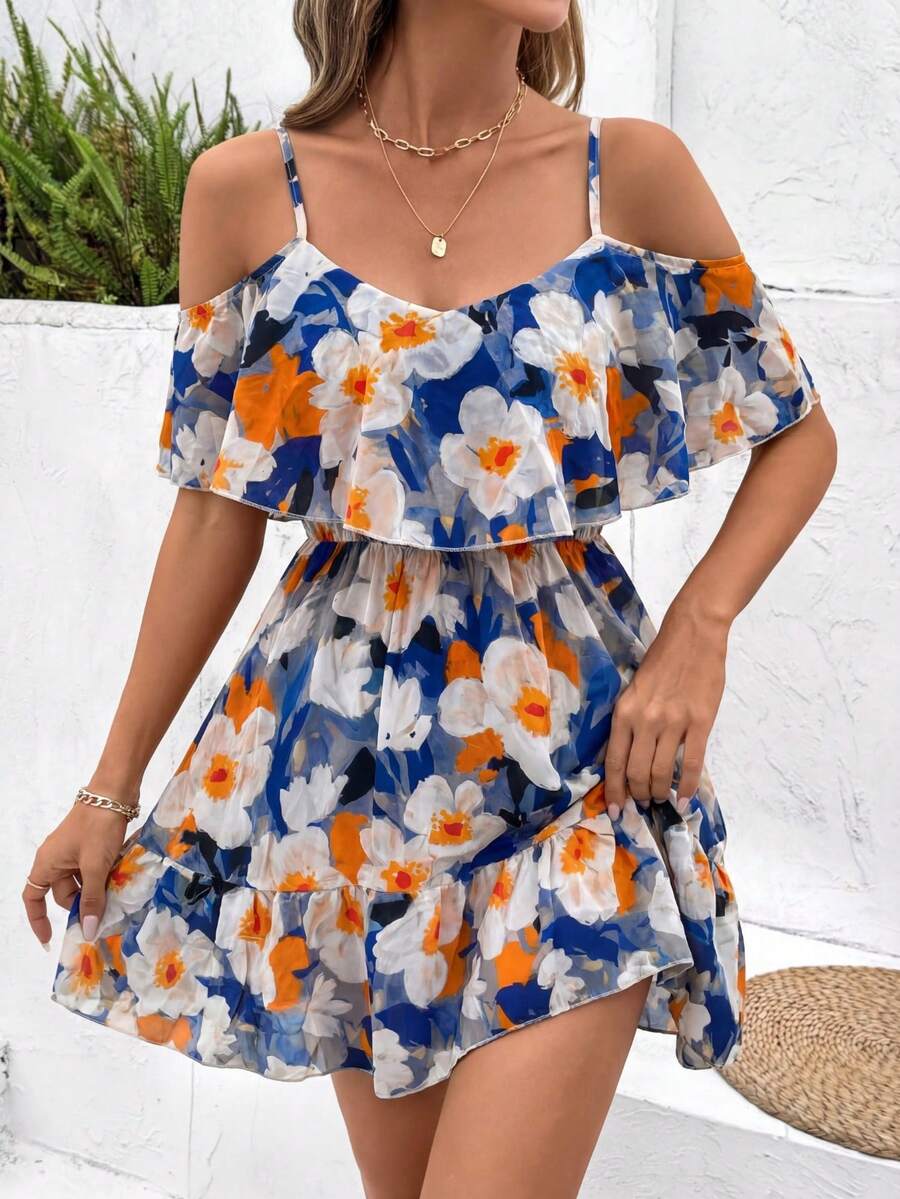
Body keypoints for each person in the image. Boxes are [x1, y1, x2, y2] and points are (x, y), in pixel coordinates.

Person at [23, 2, 837, 1196]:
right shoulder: (246, 194)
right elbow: (213, 508)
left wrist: (699, 630)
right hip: (345, 801)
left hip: (578, 773)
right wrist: (110, 784)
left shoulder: (627, 176)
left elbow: (798, 432)